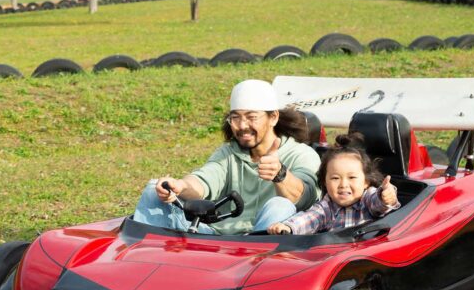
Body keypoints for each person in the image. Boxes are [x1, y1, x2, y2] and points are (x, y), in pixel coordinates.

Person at [134, 79, 322, 235]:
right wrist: (180, 186)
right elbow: (205, 179)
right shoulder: (228, 153)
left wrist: (281, 175)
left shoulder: (302, 155)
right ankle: (145, 264)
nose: (241, 126)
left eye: (251, 117)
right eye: (235, 118)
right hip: (220, 238)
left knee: (280, 205)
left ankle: (259, 265)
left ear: (273, 117)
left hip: (265, 244)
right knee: (153, 189)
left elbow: (306, 197)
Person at [267, 132, 401, 235]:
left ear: (366, 182)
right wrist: (289, 227)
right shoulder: (326, 207)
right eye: (335, 178)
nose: (343, 184)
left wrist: (386, 196)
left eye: (352, 177)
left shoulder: (367, 198)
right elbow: (310, 218)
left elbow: (377, 204)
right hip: (336, 260)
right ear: (325, 182)